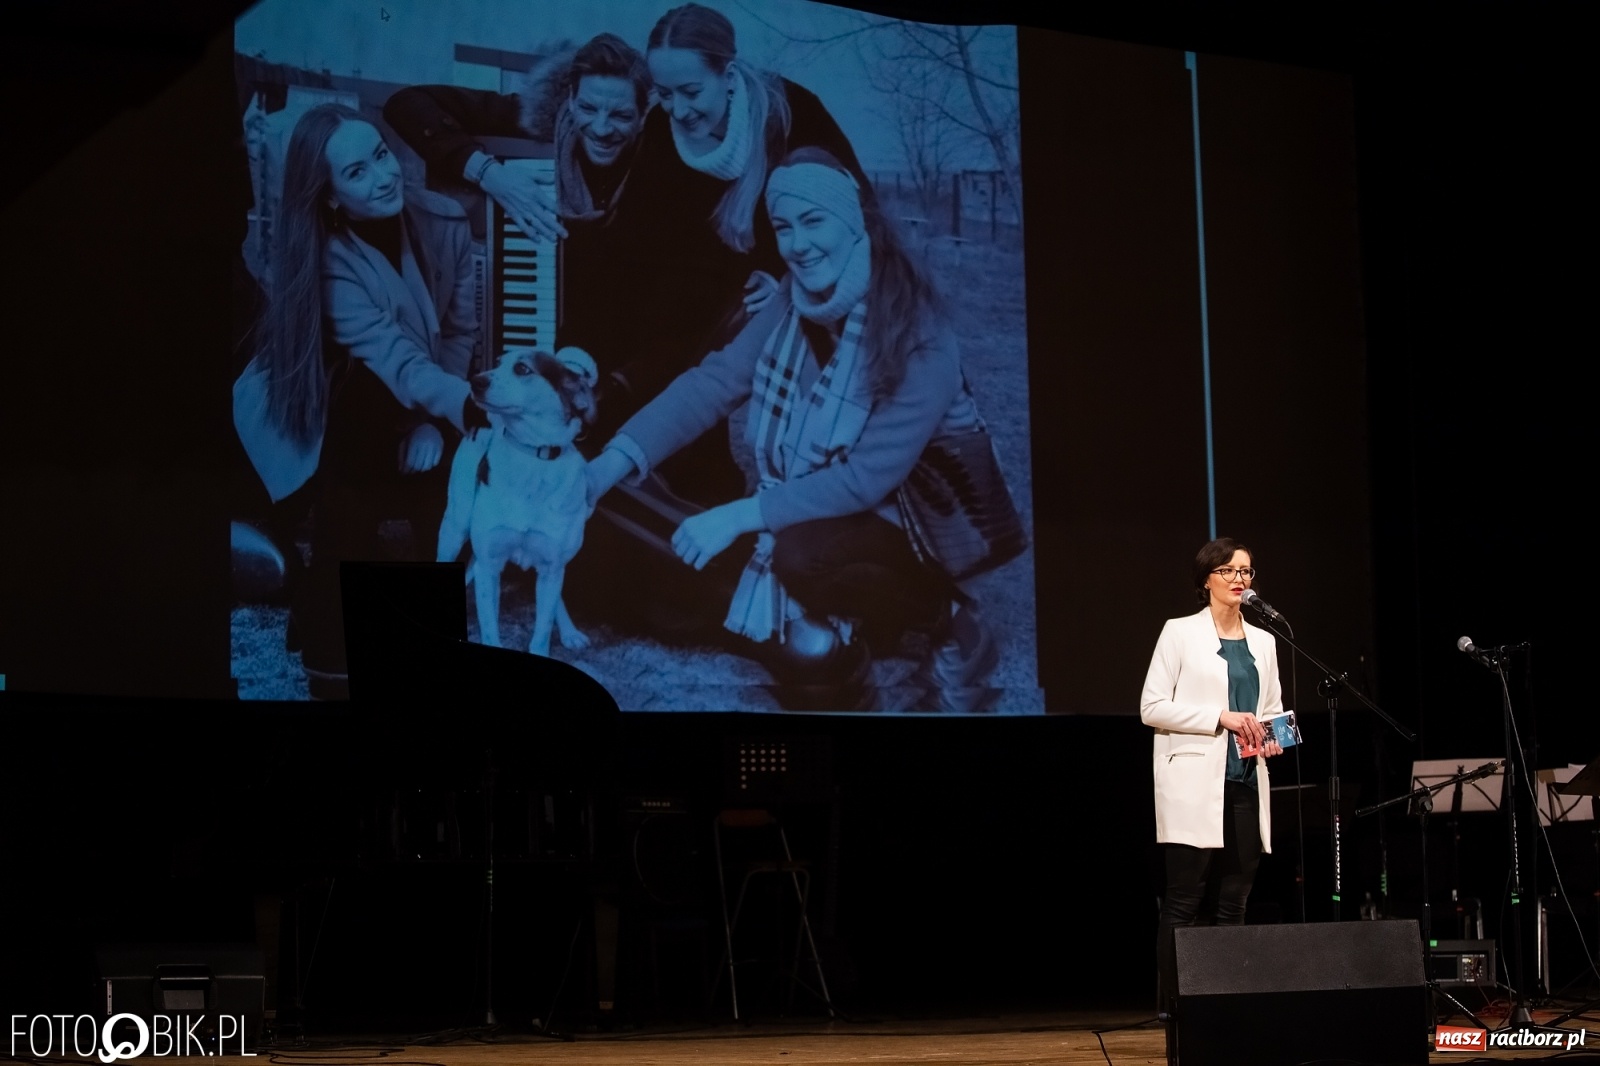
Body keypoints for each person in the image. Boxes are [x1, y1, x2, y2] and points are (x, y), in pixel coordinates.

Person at [586, 148, 1004, 712]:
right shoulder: (792, 298)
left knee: (800, 557)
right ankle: (841, 624)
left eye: (813, 221)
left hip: (920, 519)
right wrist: (608, 464)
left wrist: (737, 515)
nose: (797, 244)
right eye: (783, 227)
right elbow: (714, 383)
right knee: (704, 542)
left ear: (854, 223)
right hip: (842, 507)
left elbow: (866, 478)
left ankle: (946, 614)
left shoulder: (919, 329)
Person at [233, 103, 482, 697]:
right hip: (318, 414)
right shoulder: (328, 258)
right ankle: (331, 637)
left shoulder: (446, 221)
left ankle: (397, 633)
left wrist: (434, 425)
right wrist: (467, 411)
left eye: (381, 155)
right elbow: (391, 356)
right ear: (330, 197)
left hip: (413, 400)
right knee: (363, 415)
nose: (384, 175)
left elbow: (459, 332)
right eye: (357, 172)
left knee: (439, 472)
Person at [383, 33, 650, 394]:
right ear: (570, 99)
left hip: (615, 359)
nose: (601, 129)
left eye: (620, 115)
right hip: (533, 326)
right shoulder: (538, 120)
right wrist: (490, 174)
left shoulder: (658, 163)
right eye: (588, 109)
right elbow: (406, 105)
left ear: (643, 115)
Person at [1140, 537, 1285, 1021]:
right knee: (1184, 900)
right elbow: (1152, 707)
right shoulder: (1179, 632)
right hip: (1192, 784)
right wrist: (1218, 717)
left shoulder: (1264, 641)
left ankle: (1228, 1005)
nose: (1239, 579)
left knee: (1234, 901)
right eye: (1228, 570)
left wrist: (1272, 735)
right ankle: (1176, 1008)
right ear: (1206, 580)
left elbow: (1270, 709)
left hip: (1244, 781)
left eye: (1246, 570)